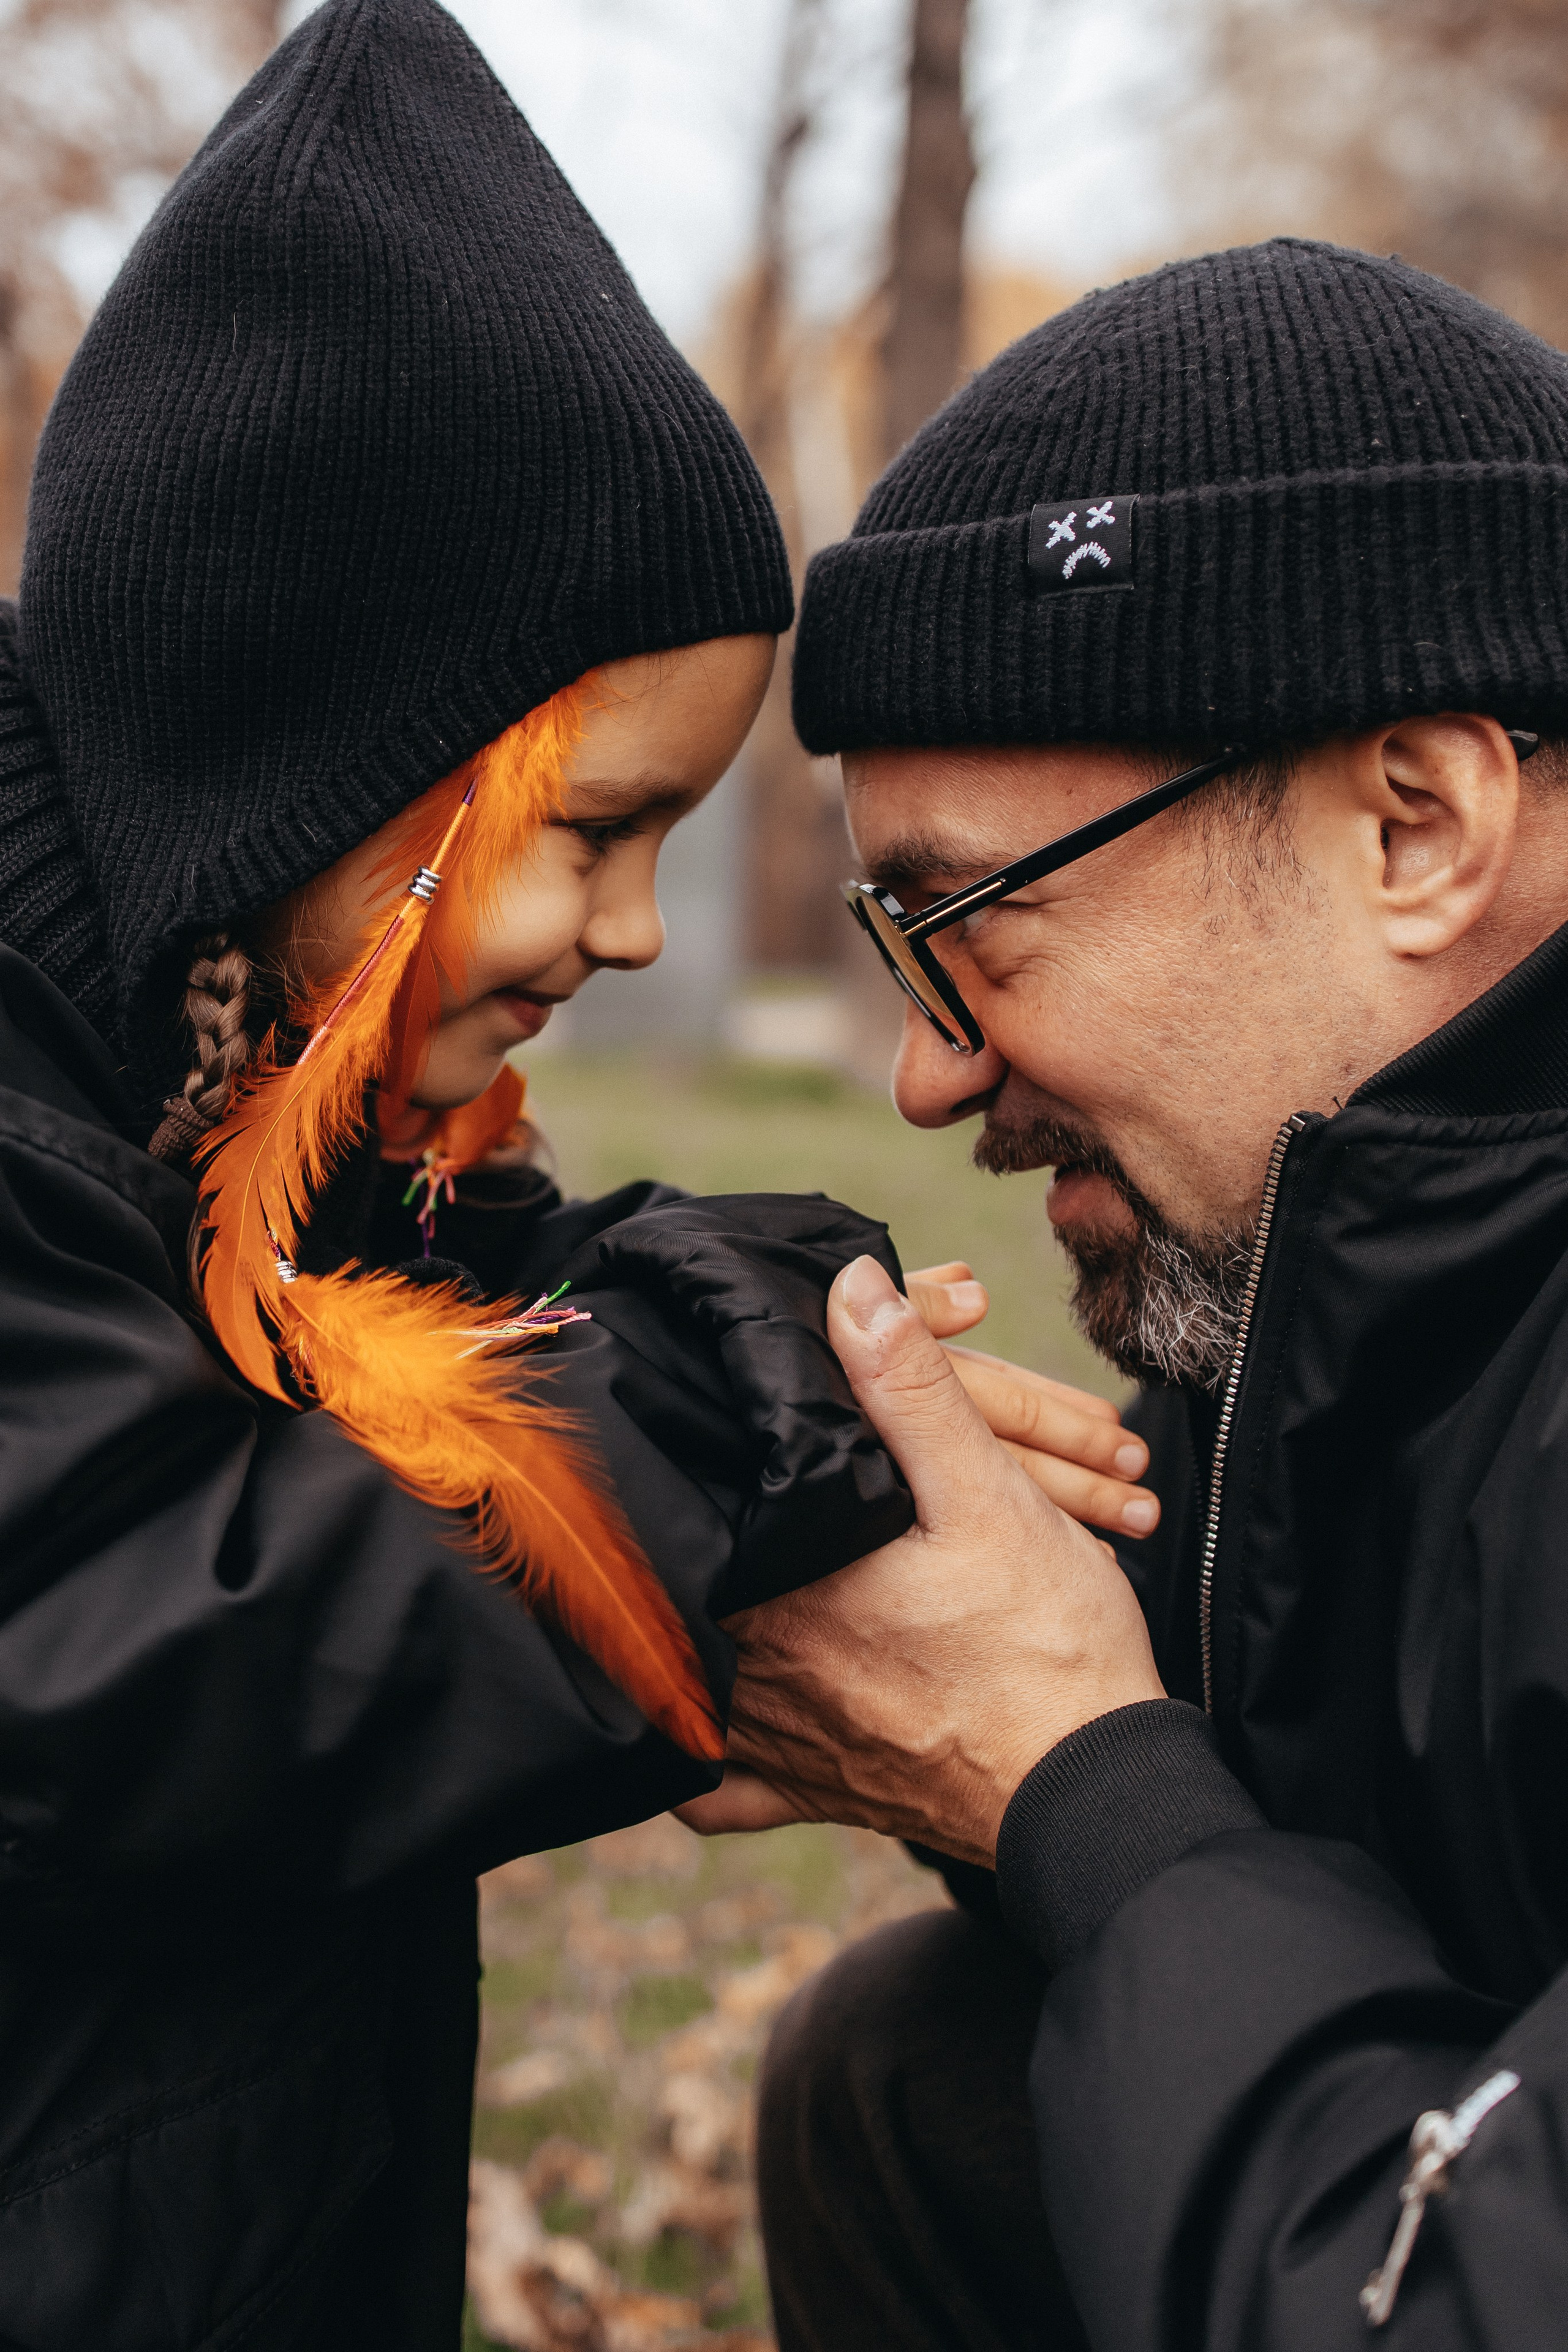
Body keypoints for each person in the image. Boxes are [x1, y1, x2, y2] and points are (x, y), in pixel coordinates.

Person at [675, 239, 1568, 2349]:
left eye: (970, 924)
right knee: (914, 2075)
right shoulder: (1344, 1259)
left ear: (1416, 826)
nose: (930, 1075)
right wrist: (918, 1624)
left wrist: (1081, 1773)